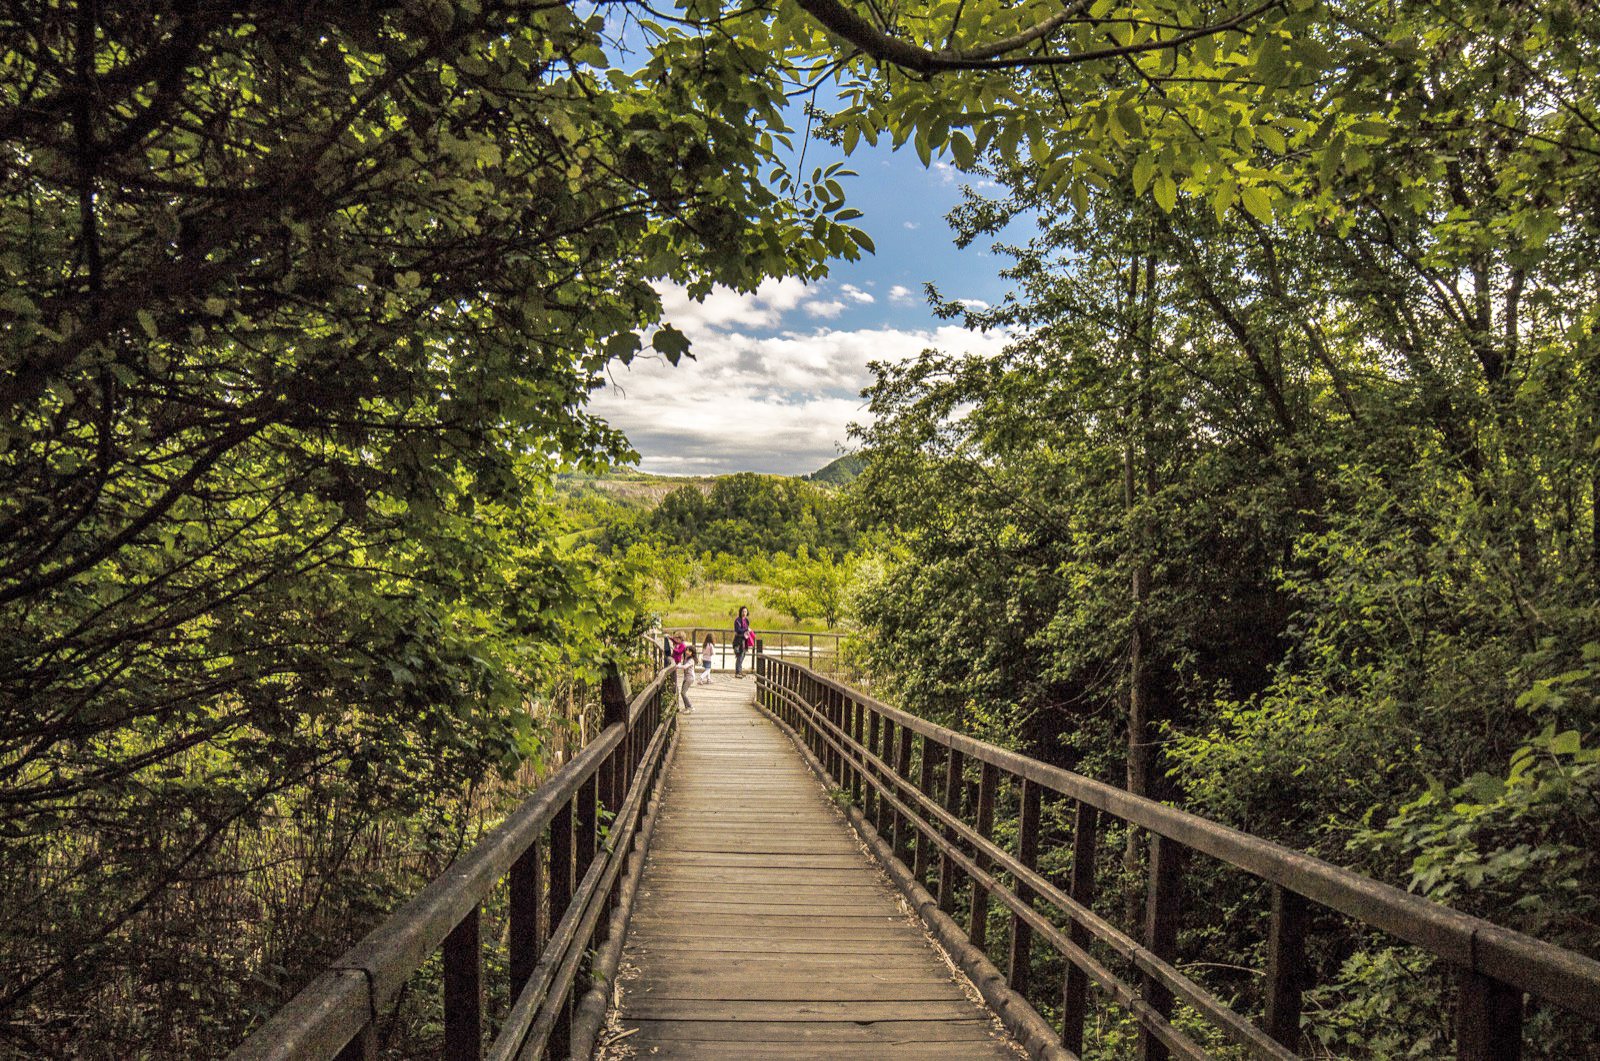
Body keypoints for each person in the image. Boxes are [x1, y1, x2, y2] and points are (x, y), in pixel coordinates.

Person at [673, 633, 696, 712]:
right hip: (686, 677)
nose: (687, 652)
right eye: (686, 650)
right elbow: (682, 664)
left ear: (692, 653)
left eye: (689, 651)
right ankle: (687, 707)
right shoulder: (686, 658)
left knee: (683, 693)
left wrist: (678, 666)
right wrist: (678, 664)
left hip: (690, 678)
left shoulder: (691, 660)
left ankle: (690, 707)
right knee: (682, 693)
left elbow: (685, 666)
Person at [732, 606, 752, 678]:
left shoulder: (746, 620)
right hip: (738, 641)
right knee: (739, 656)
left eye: (745, 612)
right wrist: (746, 629)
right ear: (740, 612)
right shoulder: (737, 620)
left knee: (743, 656)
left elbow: (746, 630)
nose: (744, 613)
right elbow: (738, 630)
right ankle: (737, 672)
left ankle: (740, 671)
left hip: (745, 640)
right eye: (743, 611)